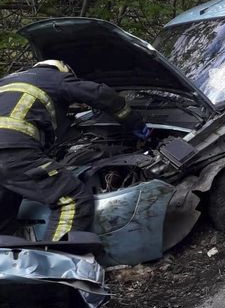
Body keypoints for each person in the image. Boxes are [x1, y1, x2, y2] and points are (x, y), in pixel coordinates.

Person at [0, 60, 146, 240]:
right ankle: (57, 261)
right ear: (63, 69)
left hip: (9, 154)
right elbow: (100, 93)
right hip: (13, 151)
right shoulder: (54, 77)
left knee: (5, 209)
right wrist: (133, 121)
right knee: (72, 198)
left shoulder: (6, 81)